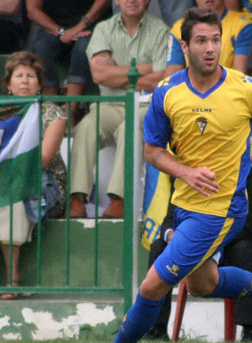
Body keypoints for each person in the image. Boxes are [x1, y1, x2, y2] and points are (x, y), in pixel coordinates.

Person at [70, 7, 252, 343]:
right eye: (201, 41)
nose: (210, 48)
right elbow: (153, 151)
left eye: (215, 40)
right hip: (182, 205)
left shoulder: (248, 90)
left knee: (152, 285)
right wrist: (186, 172)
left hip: (222, 210)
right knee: (203, 284)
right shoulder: (168, 91)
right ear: (185, 46)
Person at [144, 169, 252, 342]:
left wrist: (209, 237)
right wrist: (172, 235)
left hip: (232, 246)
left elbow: (246, 222)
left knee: (244, 250)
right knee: (159, 247)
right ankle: (156, 329)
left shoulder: (240, 170)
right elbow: (169, 220)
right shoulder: (184, 173)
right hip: (194, 247)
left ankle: (251, 331)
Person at [68, 0, 169, 219]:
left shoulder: (161, 31)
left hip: (145, 105)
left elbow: (162, 78)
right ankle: (77, 197)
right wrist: (144, 70)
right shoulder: (103, 29)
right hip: (110, 105)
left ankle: (119, 199)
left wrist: (116, 75)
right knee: (86, 126)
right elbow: (99, 75)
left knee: (130, 126)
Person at [0, 51, 67, 299]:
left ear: (39, 84)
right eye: (19, 76)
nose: (25, 81)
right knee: (1, 194)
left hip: (46, 187)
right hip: (7, 184)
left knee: (8, 196)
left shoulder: (53, 115)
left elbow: (42, 161)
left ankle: (11, 281)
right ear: (8, 84)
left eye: (30, 76)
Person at [26, 0, 111, 126]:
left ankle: (69, 113)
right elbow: (32, 10)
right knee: (41, 48)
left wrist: (79, 27)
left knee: (83, 48)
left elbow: (104, 3)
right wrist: (61, 32)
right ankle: (52, 114)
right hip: (54, 27)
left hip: (92, 24)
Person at [165, 0, 252, 77]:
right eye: (200, 41)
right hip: (190, 93)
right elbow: (172, 78)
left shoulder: (242, 26)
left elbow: (240, 78)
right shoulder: (179, 29)